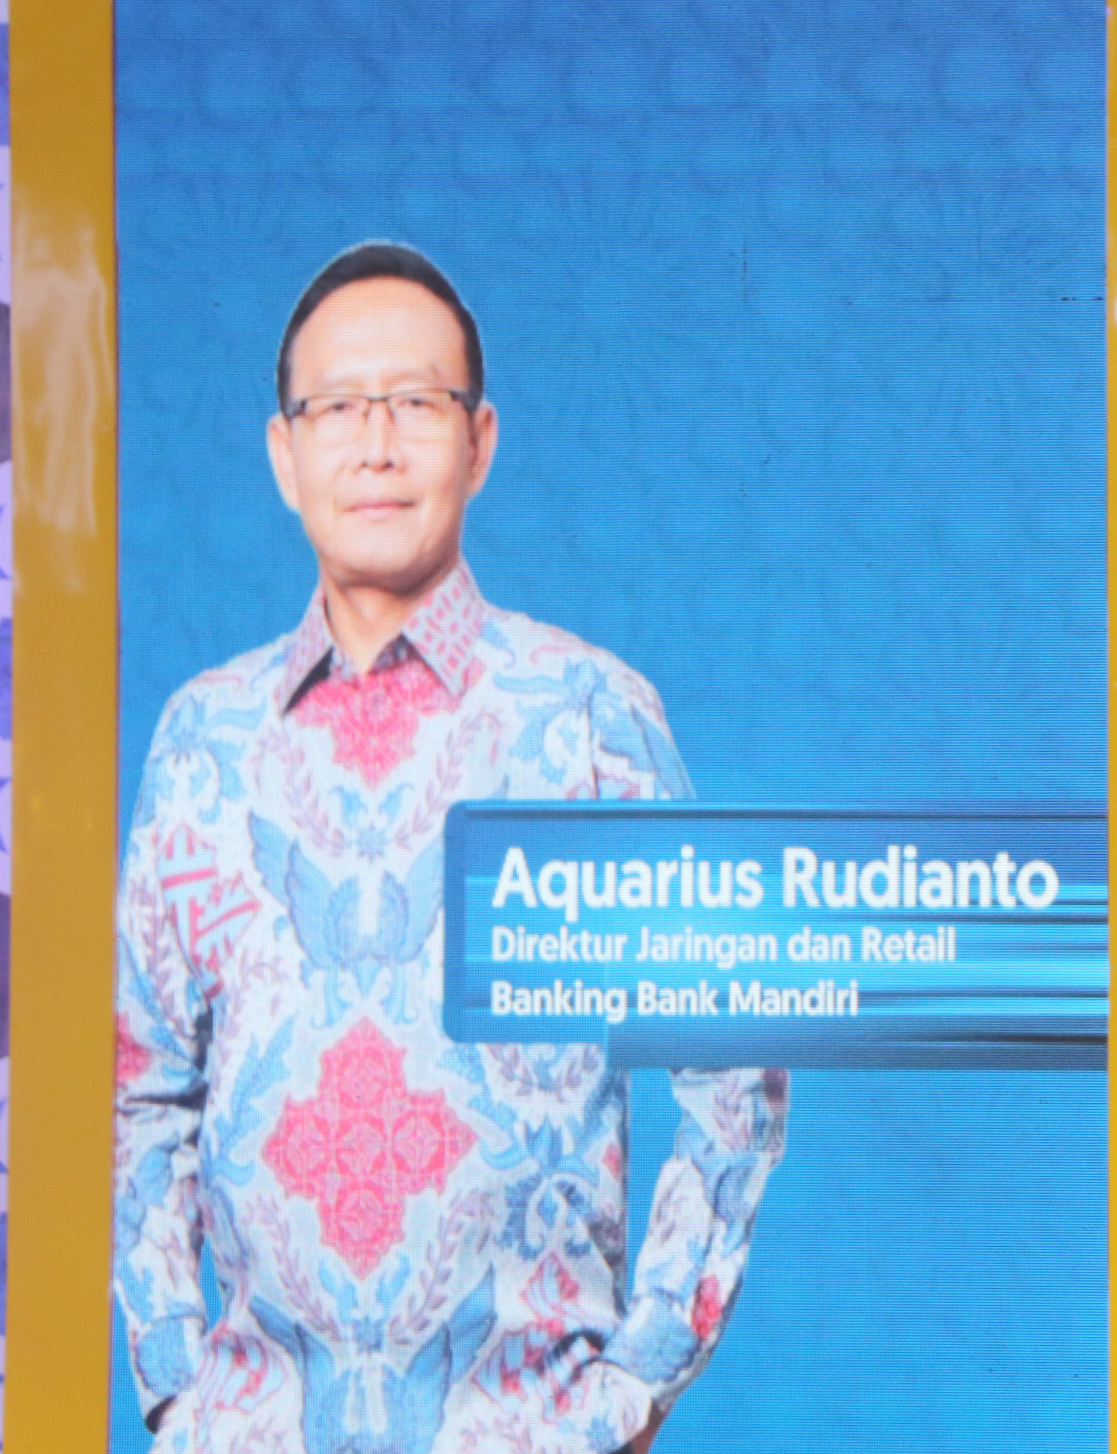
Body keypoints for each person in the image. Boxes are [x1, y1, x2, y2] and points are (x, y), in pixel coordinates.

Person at [113, 242, 788, 1454]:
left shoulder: (587, 719)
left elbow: (731, 1060)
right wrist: (174, 1382)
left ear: (479, 441)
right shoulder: (202, 738)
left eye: (416, 403)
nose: (375, 445)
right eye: (335, 407)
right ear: (282, 454)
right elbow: (143, 1088)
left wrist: (636, 1382)